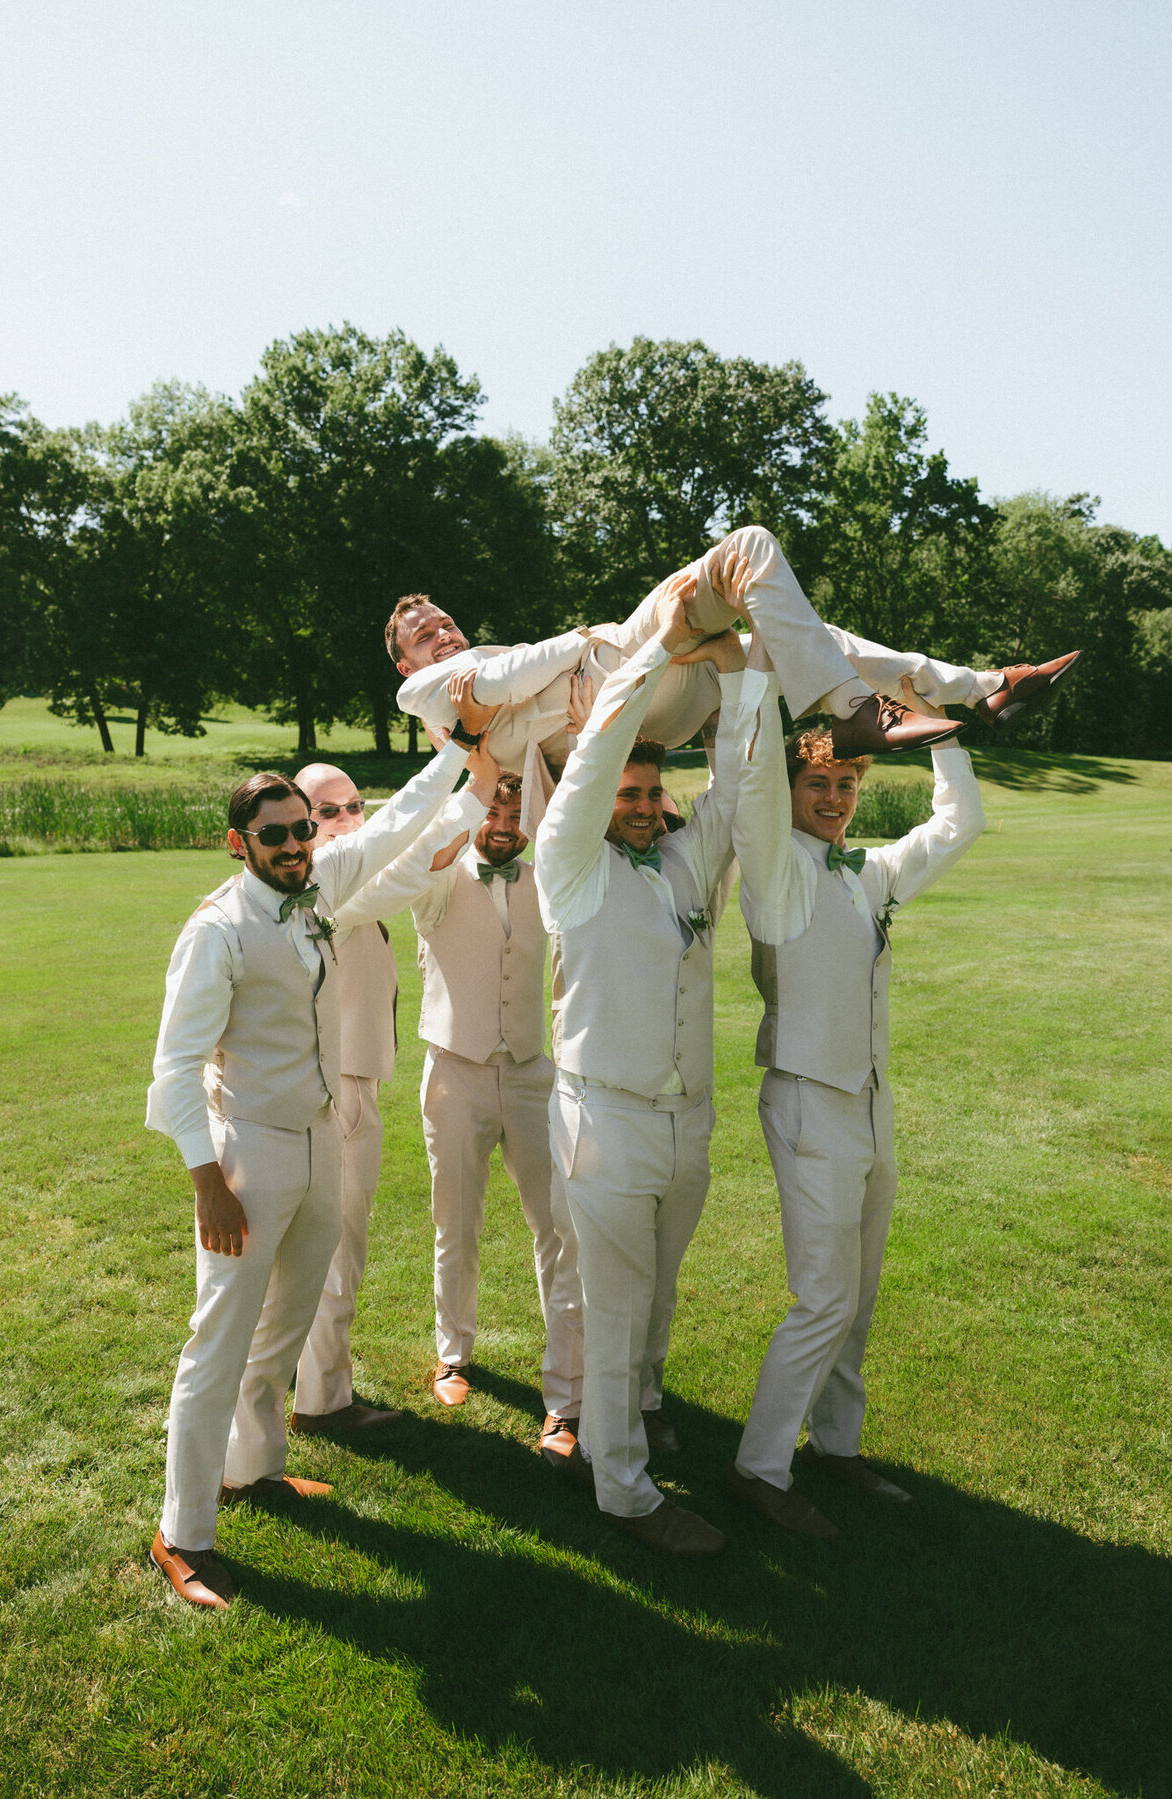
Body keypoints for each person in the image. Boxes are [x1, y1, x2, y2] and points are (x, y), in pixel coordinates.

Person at [145, 678, 497, 1612]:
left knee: (284, 1327)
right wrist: (208, 1182)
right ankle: (181, 1532)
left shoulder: (318, 887)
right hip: (247, 1156)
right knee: (216, 1342)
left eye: (304, 830)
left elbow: (391, 831)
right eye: (278, 835)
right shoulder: (215, 932)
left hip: (315, 1144)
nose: (299, 845)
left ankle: (251, 1470)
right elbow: (173, 1072)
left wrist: (460, 752)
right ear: (240, 843)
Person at [534, 557, 768, 1555]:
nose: (637, 800)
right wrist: (657, 652)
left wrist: (747, 675)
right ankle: (623, 1484)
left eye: (647, 789)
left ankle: (646, 1404)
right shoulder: (569, 868)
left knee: (660, 1290)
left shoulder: (681, 859)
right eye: (624, 788)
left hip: (685, 1118)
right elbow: (587, 768)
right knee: (619, 1303)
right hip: (606, 1121)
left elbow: (736, 782)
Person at [724, 653, 986, 1540]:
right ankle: (760, 1467)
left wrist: (935, 717)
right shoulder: (774, 871)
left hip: (869, 1104)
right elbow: (751, 781)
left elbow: (961, 823)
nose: (832, 796)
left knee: (859, 1294)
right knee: (822, 1295)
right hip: (806, 1101)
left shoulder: (865, 871)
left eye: (843, 782)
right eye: (817, 782)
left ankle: (836, 1447)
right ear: (790, 787)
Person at [387, 525, 1078, 828]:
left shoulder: (474, 669)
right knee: (747, 548)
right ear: (405, 661)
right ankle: (867, 710)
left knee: (807, 636)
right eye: (427, 635)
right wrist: (574, 639)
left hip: (650, 694)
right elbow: (500, 681)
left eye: (447, 624)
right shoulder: (419, 691)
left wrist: (538, 662)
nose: (445, 635)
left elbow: (504, 678)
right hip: (610, 689)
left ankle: (980, 686)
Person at [287, 759, 496, 1437]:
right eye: (329, 812)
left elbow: (416, 867)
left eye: (355, 805)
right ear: (300, 824)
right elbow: (416, 867)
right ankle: (324, 1400)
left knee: (327, 1246)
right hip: (339, 1087)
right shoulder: (326, 891)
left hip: (350, 1080)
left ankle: (314, 1381)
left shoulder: (337, 881)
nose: (350, 819)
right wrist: (475, 790)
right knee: (337, 1249)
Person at [377, 768, 583, 1454]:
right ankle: (453, 1353)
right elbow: (420, 852)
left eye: (517, 812)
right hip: (454, 1073)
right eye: (495, 809)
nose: (504, 823)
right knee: (455, 1222)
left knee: (558, 1228)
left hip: (532, 1072)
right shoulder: (438, 878)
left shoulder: (549, 876)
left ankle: (567, 1394)